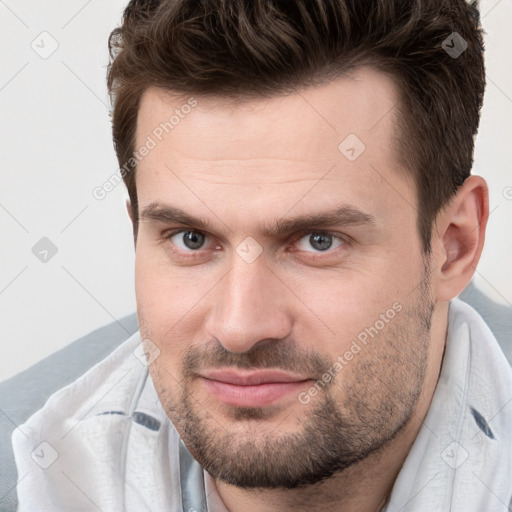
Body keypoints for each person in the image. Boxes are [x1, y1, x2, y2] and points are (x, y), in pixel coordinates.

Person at [11, 0, 512, 511]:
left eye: (319, 240)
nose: (239, 327)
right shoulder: (29, 476)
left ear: (454, 245)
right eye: (191, 238)